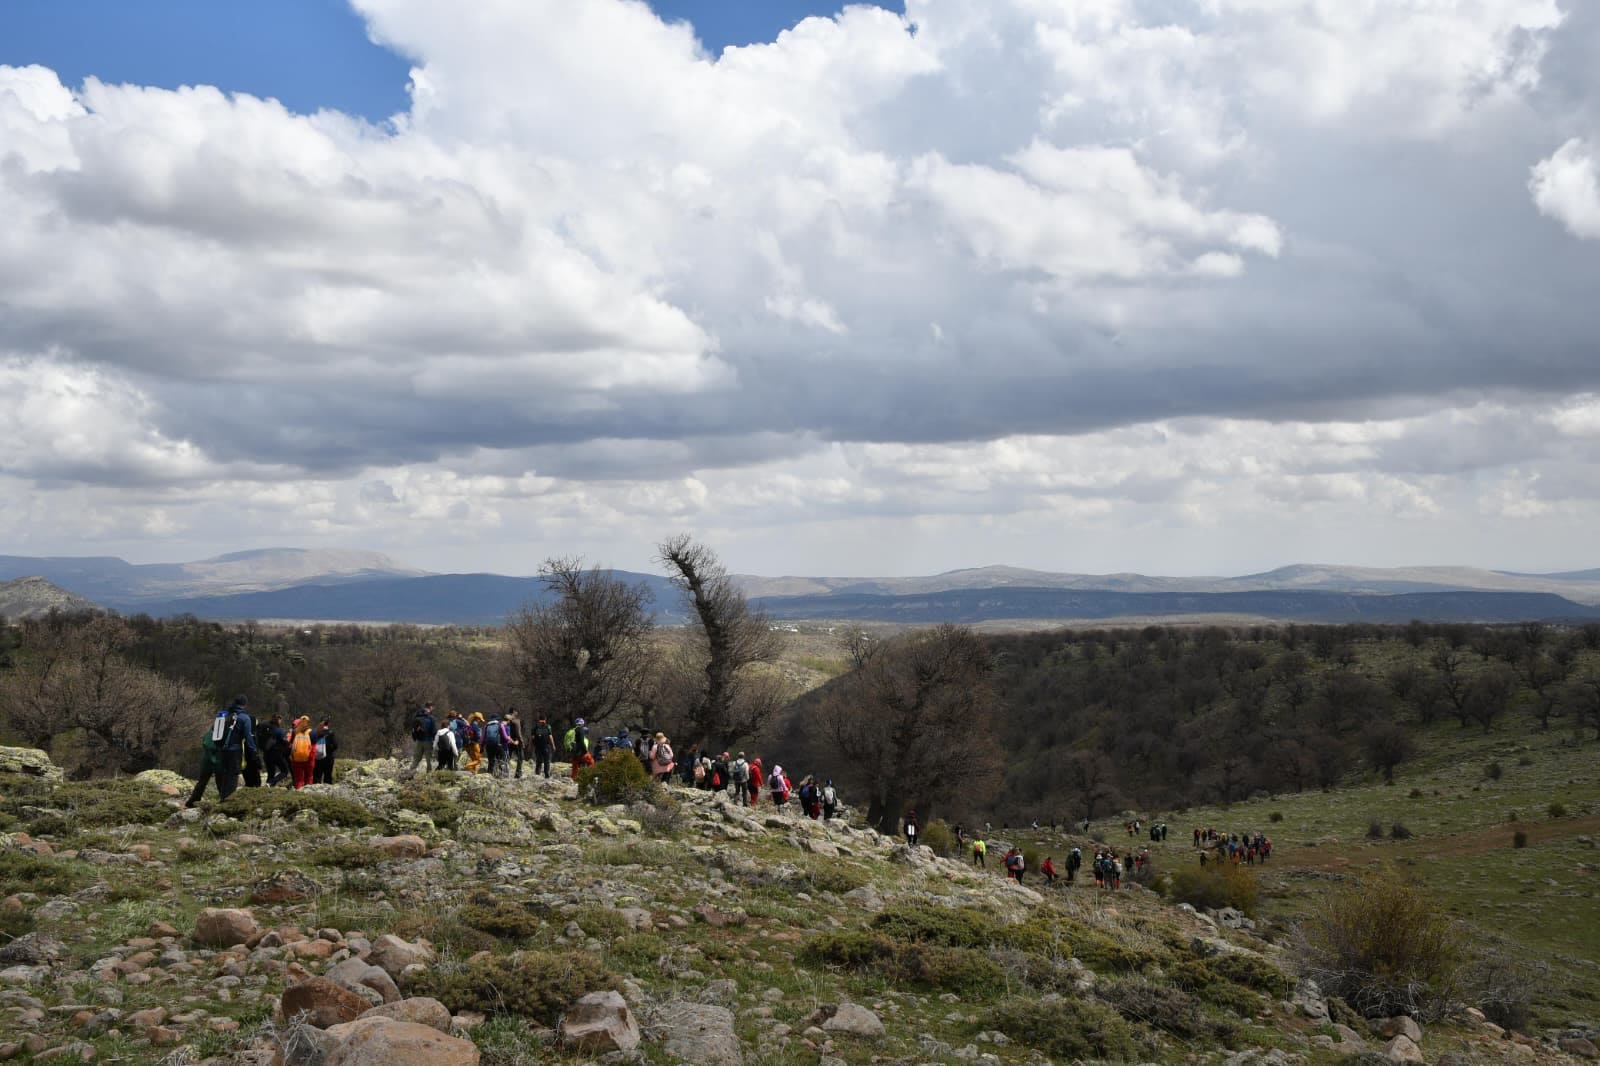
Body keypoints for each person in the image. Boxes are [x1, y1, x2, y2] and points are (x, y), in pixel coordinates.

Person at [210, 695, 258, 801]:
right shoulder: (244, 717)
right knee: (233, 775)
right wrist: (253, 750)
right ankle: (228, 801)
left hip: (222, 749)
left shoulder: (224, 714)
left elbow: (213, 730)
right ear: (244, 704)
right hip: (235, 750)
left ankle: (222, 798)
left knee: (225, 774)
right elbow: (248, 736)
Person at [186, 726, 224, 808]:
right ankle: (192, 802)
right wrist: (215, 759)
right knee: (216, 782)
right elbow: (209, 746)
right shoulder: (212, 734)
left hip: (210, 762)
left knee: (204, 782)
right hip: (211, 762)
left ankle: (193, 801)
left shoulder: (210, 733)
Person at [287, 716, 316, 789]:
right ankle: (308, 794)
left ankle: (299, 792)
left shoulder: (294, 732)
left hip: (296, 759)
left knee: (298, 779)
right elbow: (313, 747)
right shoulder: (312, 732)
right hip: (308, 759)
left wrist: (291, 756)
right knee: (308, 777)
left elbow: (290, 745)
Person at [263, 715, 290, 788]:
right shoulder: (279, 730)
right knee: (284, 771)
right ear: (278, 721)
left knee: (271, 773)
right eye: (280, 720)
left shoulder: (266, 729)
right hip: (276, 753)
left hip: (266, 753)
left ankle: (267, 787)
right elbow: (284, 742)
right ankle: (271, 783)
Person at [410, 703, 437, 773]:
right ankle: (429, 774)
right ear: (430, 707)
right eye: (432, 707)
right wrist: (435, 740)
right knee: (429, 759)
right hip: (428, 740)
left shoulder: (417, 715)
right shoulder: (431, 717)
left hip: (418, 740)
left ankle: (410, 772)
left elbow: (413, 727)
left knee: (416, 758)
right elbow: (433, 731)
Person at [311, 718, 339, 785]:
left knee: (317, 776)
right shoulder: (331, 733)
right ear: (328, 724)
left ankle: (315, 791)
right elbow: (335, 745)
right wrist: (329, 750)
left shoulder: (315, 732)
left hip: (317, 757)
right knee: (328, 776)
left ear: (320, 723)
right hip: (328, 758)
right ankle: (327, 791)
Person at [483, 710, 508, 777]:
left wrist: (482, 746)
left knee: (491, 761)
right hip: (497, 745)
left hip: (488, 746)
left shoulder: (486, 726)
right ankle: (501, 774)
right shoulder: (500, 725)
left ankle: (489, 775)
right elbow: (505, 737)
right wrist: (509, 740)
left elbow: (483, 738)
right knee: (501, 758)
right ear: (498, 719)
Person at [505, 709, 524, 779]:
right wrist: (522, 741)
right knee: (520, 757)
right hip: (516, 741)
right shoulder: (516, 721)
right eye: (516, 711)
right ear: (514, 712)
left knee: (508, 757)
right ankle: (518, 774)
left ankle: (505, 772)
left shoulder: (506, 720)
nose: (517, 712)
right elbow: (518, 733)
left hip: (508, 741)